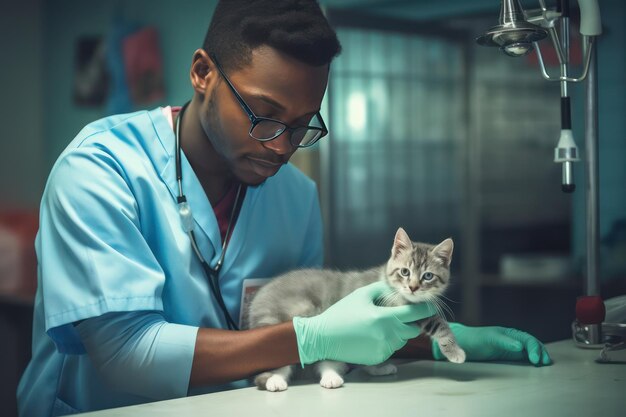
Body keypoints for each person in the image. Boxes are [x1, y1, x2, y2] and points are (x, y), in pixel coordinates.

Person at [17, 1, 551, 415]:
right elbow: (124, 356)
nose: (281, 145)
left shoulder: (295, 196)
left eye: (303, 125)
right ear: (203, 74)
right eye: (264, 114)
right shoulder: (97, 173)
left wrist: (427, 342)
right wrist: (309, 335)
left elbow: (328, 340)